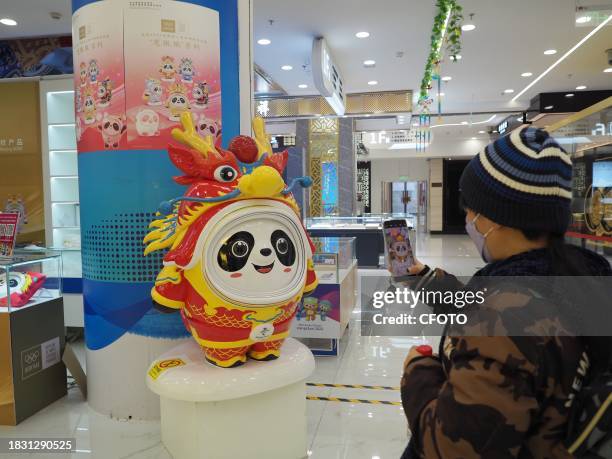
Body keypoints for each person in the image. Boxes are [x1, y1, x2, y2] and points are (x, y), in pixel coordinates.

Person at [398, 127, 611, 458]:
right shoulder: (580, 274)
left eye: (470, 209)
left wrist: (418, 373)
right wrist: (427, 279)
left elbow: (451, 449)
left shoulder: (504, 319)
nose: (468, 220)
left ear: (493, 217)